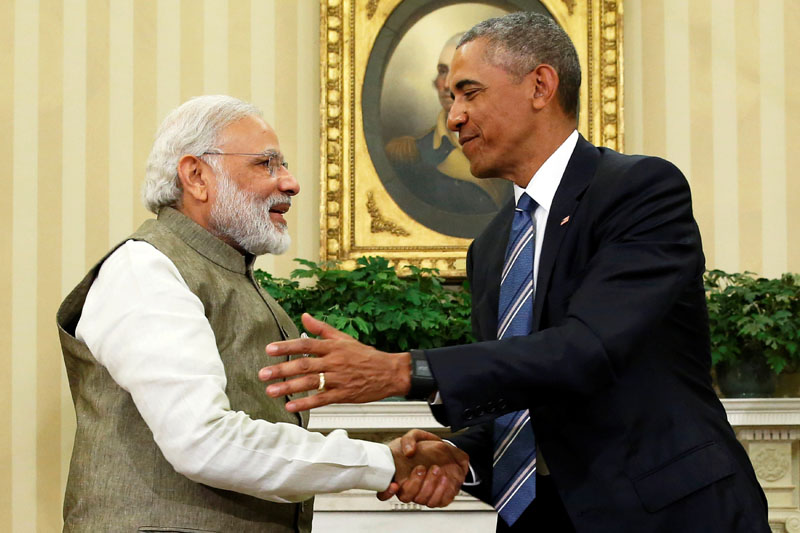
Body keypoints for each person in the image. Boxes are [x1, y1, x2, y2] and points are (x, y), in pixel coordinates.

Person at [259, 12, 771, 533]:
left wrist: (399, 371)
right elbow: (523, 401)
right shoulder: (493, 245)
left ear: (540, 86)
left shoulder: (639, 191)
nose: (453, 116)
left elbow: (587, 351)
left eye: (469, 92)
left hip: (672, 515)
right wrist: (458, 451)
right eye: (450, 97)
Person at [55, 95, 467, 532]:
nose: (290, 183)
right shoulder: (146, 270)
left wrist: (386, 450)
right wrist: (383, 463)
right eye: (266, 164)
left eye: (283, 165)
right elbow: (204, 442)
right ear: (196, 176)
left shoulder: (228, 273)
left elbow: (251, 435)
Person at [384, 32, 512, 229]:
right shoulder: (410, 153)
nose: (445, 85)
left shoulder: (514, 147)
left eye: (456, 71)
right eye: (442, 71)